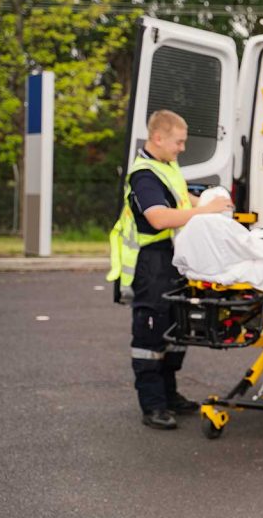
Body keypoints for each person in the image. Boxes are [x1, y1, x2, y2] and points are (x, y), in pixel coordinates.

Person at [107, 110, 233, 430]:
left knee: (175, 329)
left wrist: (206, 201)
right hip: (152, 262)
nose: (181, 148)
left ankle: (169, 394)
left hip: (171, 259)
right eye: (178, 142)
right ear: (158, 138)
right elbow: (160, 218)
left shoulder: (165, 166)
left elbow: (179, 198)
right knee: (151, 331)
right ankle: (153, 405)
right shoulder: (144, 175)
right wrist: (205, 210)